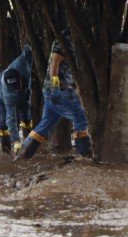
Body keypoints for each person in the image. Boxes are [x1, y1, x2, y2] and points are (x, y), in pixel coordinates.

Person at [18, 29, 92, 160]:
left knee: (45, 124)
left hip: (56, 89)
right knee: (80, 116)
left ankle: (21, 158)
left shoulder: (75, 36)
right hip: (60, 89)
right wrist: (55, 87)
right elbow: (55, 62)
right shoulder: (67, 37)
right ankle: (85, 158)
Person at [0, 44, 33, 155]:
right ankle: (7, 151)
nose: (15, 91)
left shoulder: (22, 65)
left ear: (20, 79)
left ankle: (29, 144)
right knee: (3, 123)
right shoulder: (8, 93)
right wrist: (16, 141)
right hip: (2, 95)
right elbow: (10, 118)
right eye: (13, 89)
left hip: (25, 92)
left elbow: (27, 49)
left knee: (26, 117)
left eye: (16, 87)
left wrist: (29, 46)